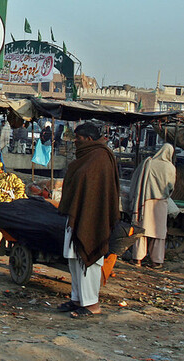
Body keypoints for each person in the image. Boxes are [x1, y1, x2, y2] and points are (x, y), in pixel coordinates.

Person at [56, 122, 120, 318]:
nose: (75, 141)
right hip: (78, 215)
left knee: (88, 261)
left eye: (78, 138)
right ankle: (77, 299)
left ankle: (92, 304)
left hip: (92, 218)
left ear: (89, 139)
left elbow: (96, 189)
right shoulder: (87, 156)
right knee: (74, 259)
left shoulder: (100, 157)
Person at [129, 143, 176, 269]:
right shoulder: (170, 167)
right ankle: (157, 261)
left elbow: (137, 180)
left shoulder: (149, 163)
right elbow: (171, 186)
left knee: (141, 230)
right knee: (159, 233)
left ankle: (137, 259)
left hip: (145, 201)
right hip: (161, 203)